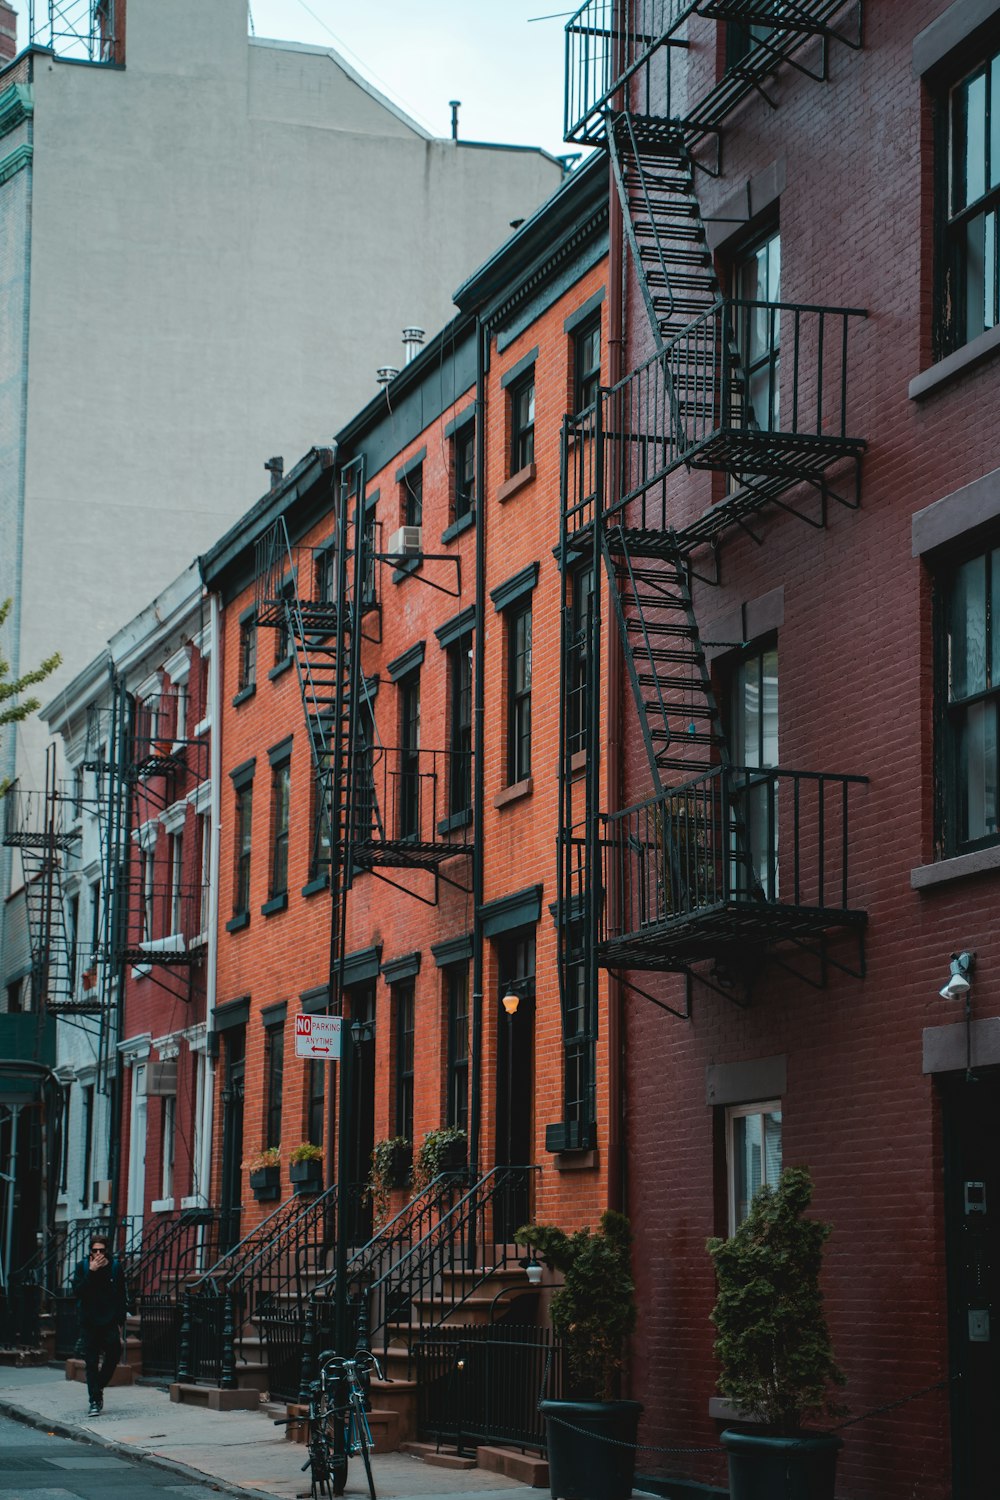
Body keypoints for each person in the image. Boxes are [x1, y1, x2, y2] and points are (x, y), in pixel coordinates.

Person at [71, 1233, 129, 1416]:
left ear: (106, 1250)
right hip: (88, 1321)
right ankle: (94, 1401)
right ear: (90, 1251)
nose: (98, 1254)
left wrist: (120, 1322)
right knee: (91, 1362)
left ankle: (98, 1387)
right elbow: (78, 1292)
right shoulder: (83, 1267)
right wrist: (91, 1272)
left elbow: (121, 1295)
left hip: (109, 1320)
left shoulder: (114, 1267)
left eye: (101, 1250)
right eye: (94, 1250)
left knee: (114, 1354)